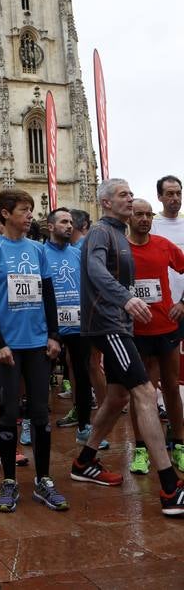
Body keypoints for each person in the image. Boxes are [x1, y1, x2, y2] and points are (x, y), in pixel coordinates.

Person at [73, 178, 184, 516]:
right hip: (108, 327)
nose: (130, 199)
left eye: (131, 194)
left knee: (118, 396)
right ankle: (170, 487)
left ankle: (84, 462)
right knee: (146, 393)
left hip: (118, 326)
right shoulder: (100, 234)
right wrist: (126, 298)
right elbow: (93, 269)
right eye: (124, 195)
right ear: (106, 202)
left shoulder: (118, 236)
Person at [0, 189, 68, 513]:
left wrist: (54, 335)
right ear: (4, 214)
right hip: (7, 349)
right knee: (9, 412)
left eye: (31, 210)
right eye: (24, 210)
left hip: (38, 344)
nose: (30, 215)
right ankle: (10, 481)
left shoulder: (38, 250)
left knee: (41, 414)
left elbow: (48, 295)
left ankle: (44, 480)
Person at [127, 199, 184, 475]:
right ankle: (140, 449)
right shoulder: (120, 249)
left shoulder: (163, 245)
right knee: (142, 393)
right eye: (139, 214)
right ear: (129, 218)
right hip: (136, 333)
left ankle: (179, 444)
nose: (145, 219)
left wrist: (183, 303)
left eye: (148, 214)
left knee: (172, 386)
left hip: (167, 328)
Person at [44, 209, 108, 447]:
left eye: (71, 222)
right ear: (50, 226)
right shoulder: (41, 253)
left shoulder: (78, 253)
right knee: (41, 378)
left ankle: (84, 427)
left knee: (82, 376)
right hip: (51, 326)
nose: (69, 226)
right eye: (63, 222)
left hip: (78, 324)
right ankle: (34, 424)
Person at [150, 176, 184, 313]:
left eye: (179, 193)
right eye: (170, 194)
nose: (175, 198)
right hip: (165, 305)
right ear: (159, 197)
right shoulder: (151, 225)